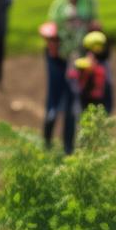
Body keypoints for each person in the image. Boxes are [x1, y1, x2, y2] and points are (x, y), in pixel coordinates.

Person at [47, 0, 100, 72]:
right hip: (64, 51)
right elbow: (52, 28)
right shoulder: (58, 4)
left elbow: (95, 24)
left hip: (84, 49)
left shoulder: (88, 1)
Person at [40, 21, 75, 155]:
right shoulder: (48, 53)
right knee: (50, 117)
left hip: (68, 92)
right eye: (49, 40)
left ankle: (68, 148)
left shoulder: (67, 57)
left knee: (69, 118)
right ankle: (46, 145)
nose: (52, 43)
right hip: (53, 93)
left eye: (55, 40)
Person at [67, 30, 110, 118]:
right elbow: (72, 76)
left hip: (97, 98)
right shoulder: (82, 62)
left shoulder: (102, 64)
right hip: (85, 97)